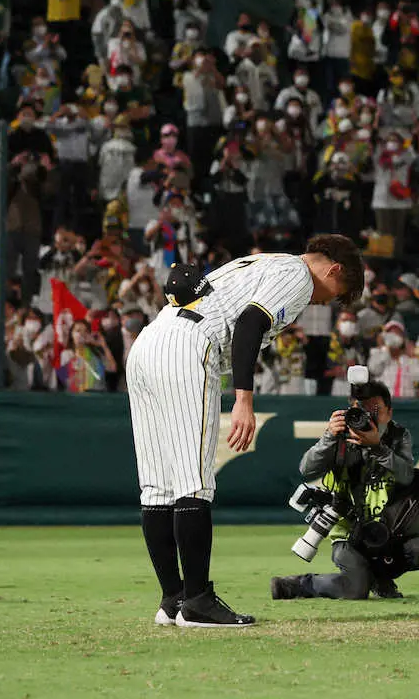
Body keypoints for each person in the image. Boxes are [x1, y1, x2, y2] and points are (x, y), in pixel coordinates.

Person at [126, 235, 364, 627]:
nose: (325, 301)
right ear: (333, 269)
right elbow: (251, 323)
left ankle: (174, 598)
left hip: (150, 342)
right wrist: (244, 400)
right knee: (194, 484)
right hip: (189, 346)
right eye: (336, 291)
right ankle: (198, 601)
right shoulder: (299, 275)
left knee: (158, 487)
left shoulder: (266, 261)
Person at [271, 378, 419, 600]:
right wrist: (329, 436)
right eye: (360, 411)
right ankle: (298, 585)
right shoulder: (339, 437)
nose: (367, 417)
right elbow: (307, 469)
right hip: (348, 532)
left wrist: (377, 447)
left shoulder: (398, 436)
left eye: (375, 410)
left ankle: (380, 577)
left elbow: (406, 475)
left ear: (389, 412)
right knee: (356, 590)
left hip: (388, 529)